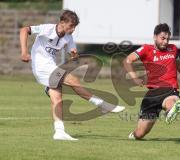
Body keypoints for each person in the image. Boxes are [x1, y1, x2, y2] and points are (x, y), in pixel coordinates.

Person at [20, 10, 125, 141]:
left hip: (50, 66)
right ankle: (103, 105)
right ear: (62, 23)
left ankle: (59, 131)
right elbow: (24, 30)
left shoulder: (68, 38)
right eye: (71, 26)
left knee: (57, 99)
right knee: (73, 80)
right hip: (41, 67)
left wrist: (74, 55)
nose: (73, 29)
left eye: (75, 26)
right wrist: (24, 52)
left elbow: (74, 57)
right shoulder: (47, 29)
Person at [123, 23, 180, 140]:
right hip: (152, 94)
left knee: (173, 99)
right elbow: (128, 60)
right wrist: (134, 78)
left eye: (168, 39)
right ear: (155, 37)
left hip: (169, 89)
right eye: (163, 38)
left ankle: (171, 110)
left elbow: (178, 64)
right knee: (141, 133)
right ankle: (134, 135)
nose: (165, 42)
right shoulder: (146, 49)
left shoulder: (173, 49)